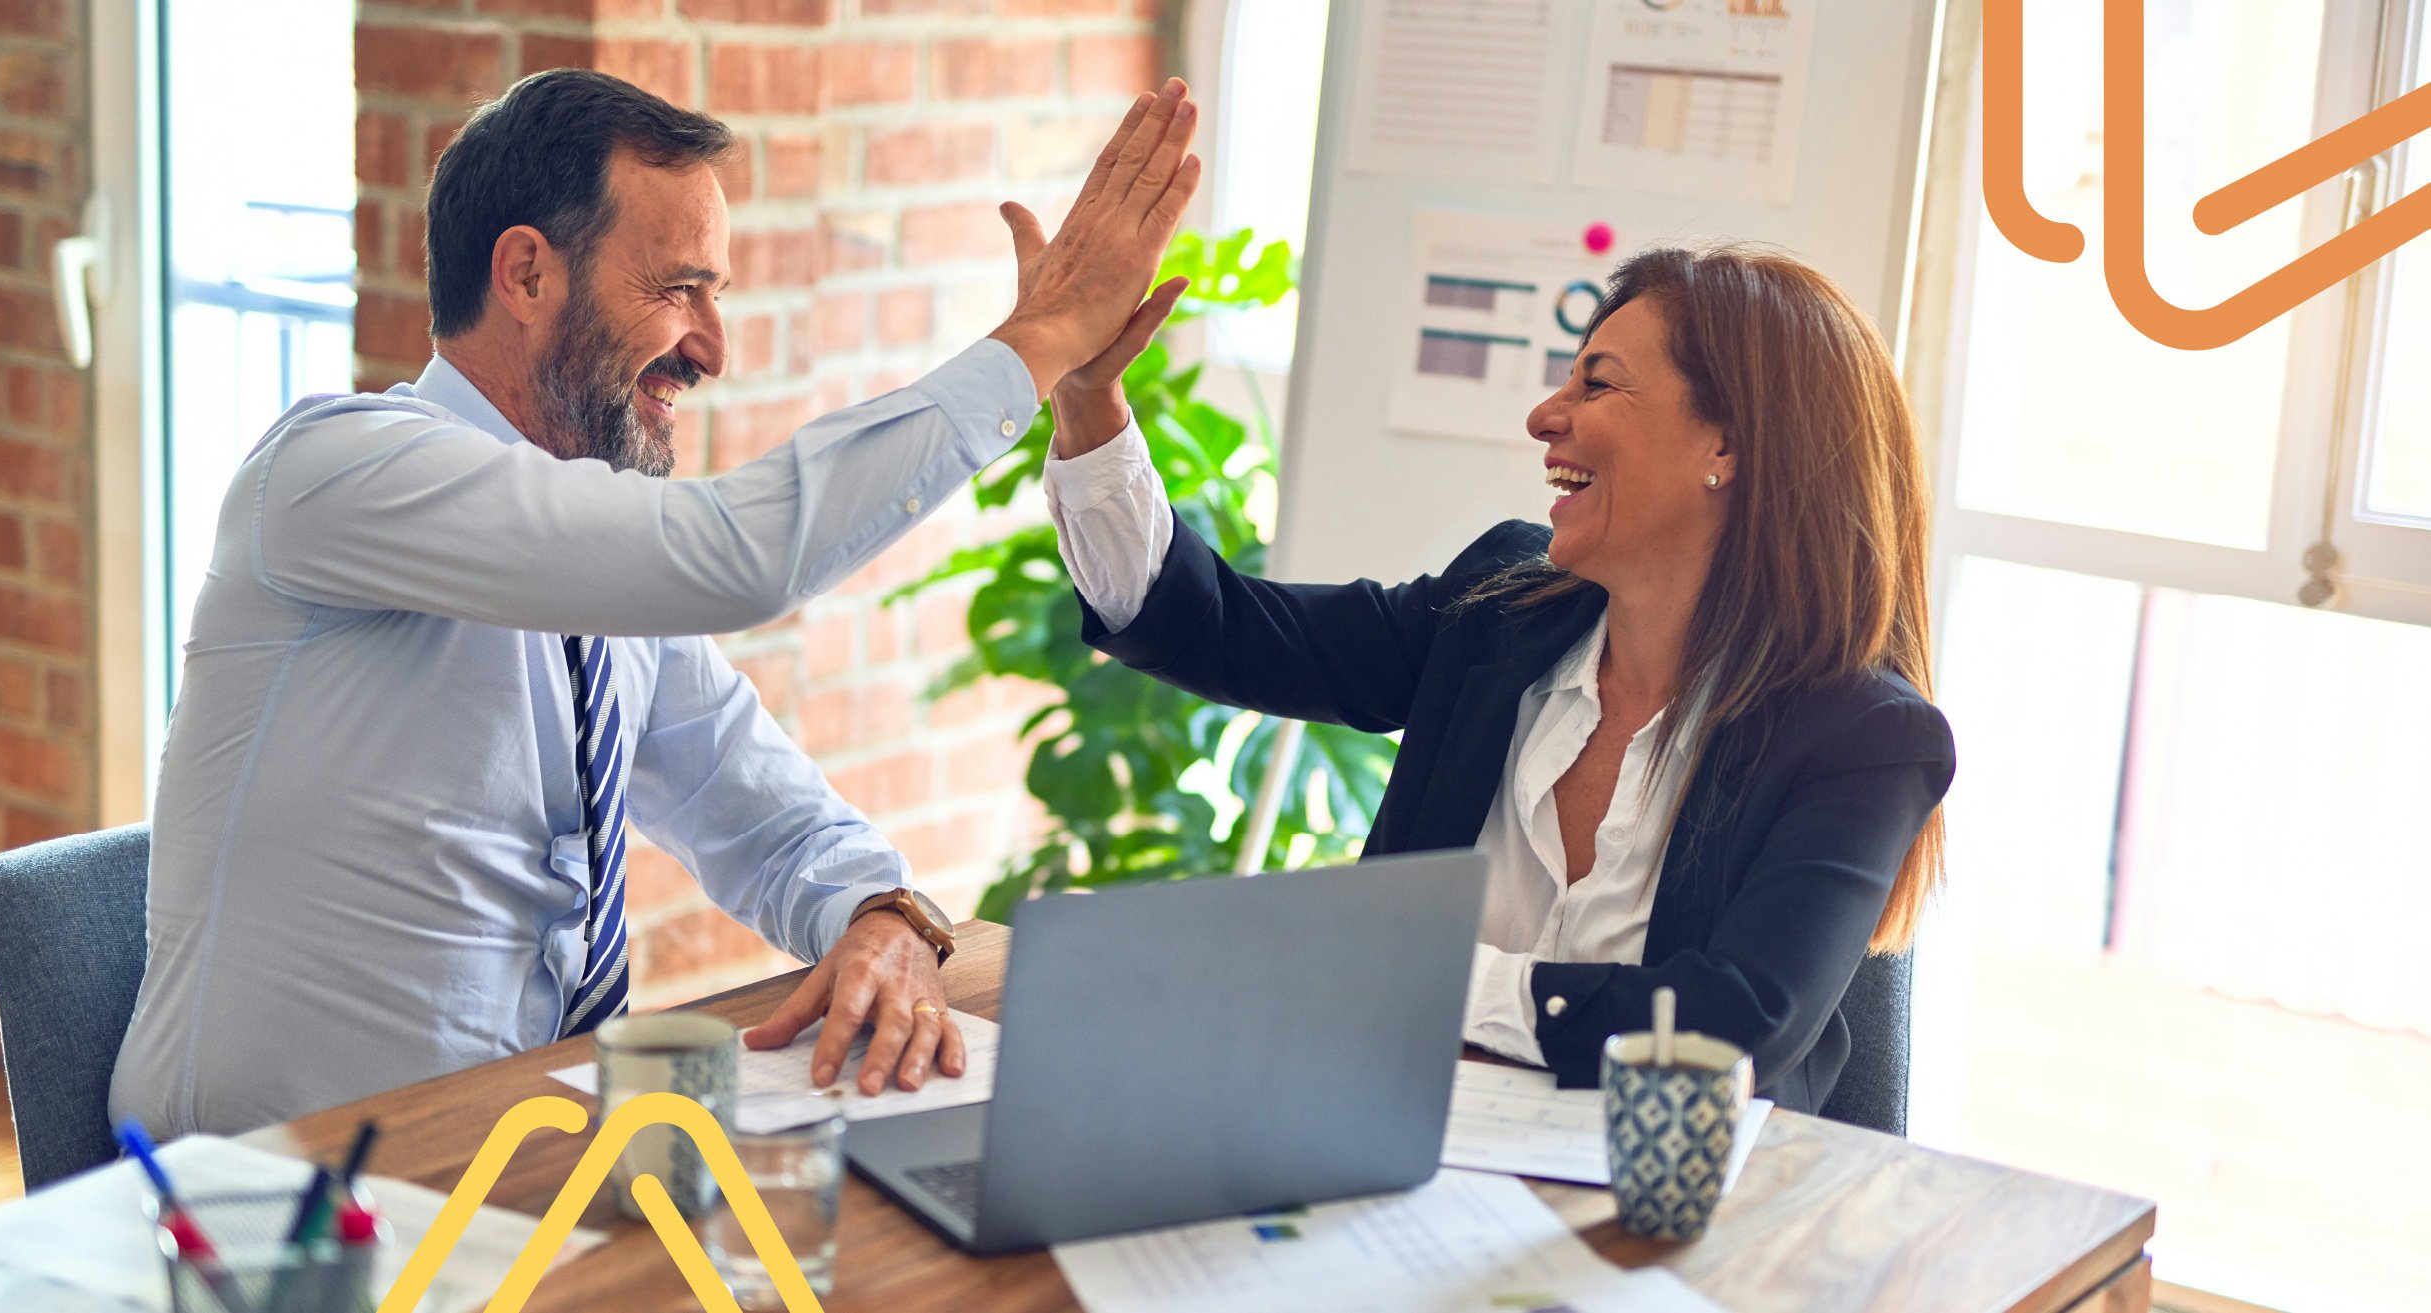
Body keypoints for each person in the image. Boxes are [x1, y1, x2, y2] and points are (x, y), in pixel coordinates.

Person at [110, 69, 1203, 1137]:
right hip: (272, 1208)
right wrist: (1041, 340)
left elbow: (766, 814)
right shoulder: (336, 471)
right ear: (527, 276)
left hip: (517, 1161)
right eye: (679, 287)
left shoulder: (600, 576)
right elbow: (739, 555)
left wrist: (882, 915)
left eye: (714, 294)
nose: (711, 348)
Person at [1041, 244, 1954, 1112]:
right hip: (1394, 1152)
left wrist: (1417, 973)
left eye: (1595, 383)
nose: (1544, 416)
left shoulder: (1863, 737)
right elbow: (1217, 628)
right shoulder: (1499, 610)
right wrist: (1089, 399)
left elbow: (1726, 1031)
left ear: (1727, 446)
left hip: (1677, 1223)